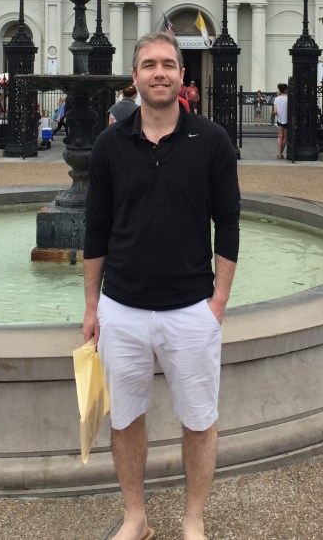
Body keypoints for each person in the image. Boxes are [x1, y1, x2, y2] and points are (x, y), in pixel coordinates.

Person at [83, 31, 240, 540]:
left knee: (198, 420)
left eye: (168, 64)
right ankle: (136, 517)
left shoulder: (212, 141)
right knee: (125, 420)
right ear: (135, 77)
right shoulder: (109, 145)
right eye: (149, 64)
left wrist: (218, 301)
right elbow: (96, 227)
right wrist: (91, 307)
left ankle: (193, 519)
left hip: (190, 308)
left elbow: (229, 223)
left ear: (181, 76)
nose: (159, 73)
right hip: (122, 308)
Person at [273, 83, 288, 159]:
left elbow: (275, 111)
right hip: (287, 119)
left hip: (279, 119)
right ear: (285, 90)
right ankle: (281, 153)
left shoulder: (276, 99)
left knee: (280, 136)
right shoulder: (288, 98)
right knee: (285, 137)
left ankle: (279, 154)